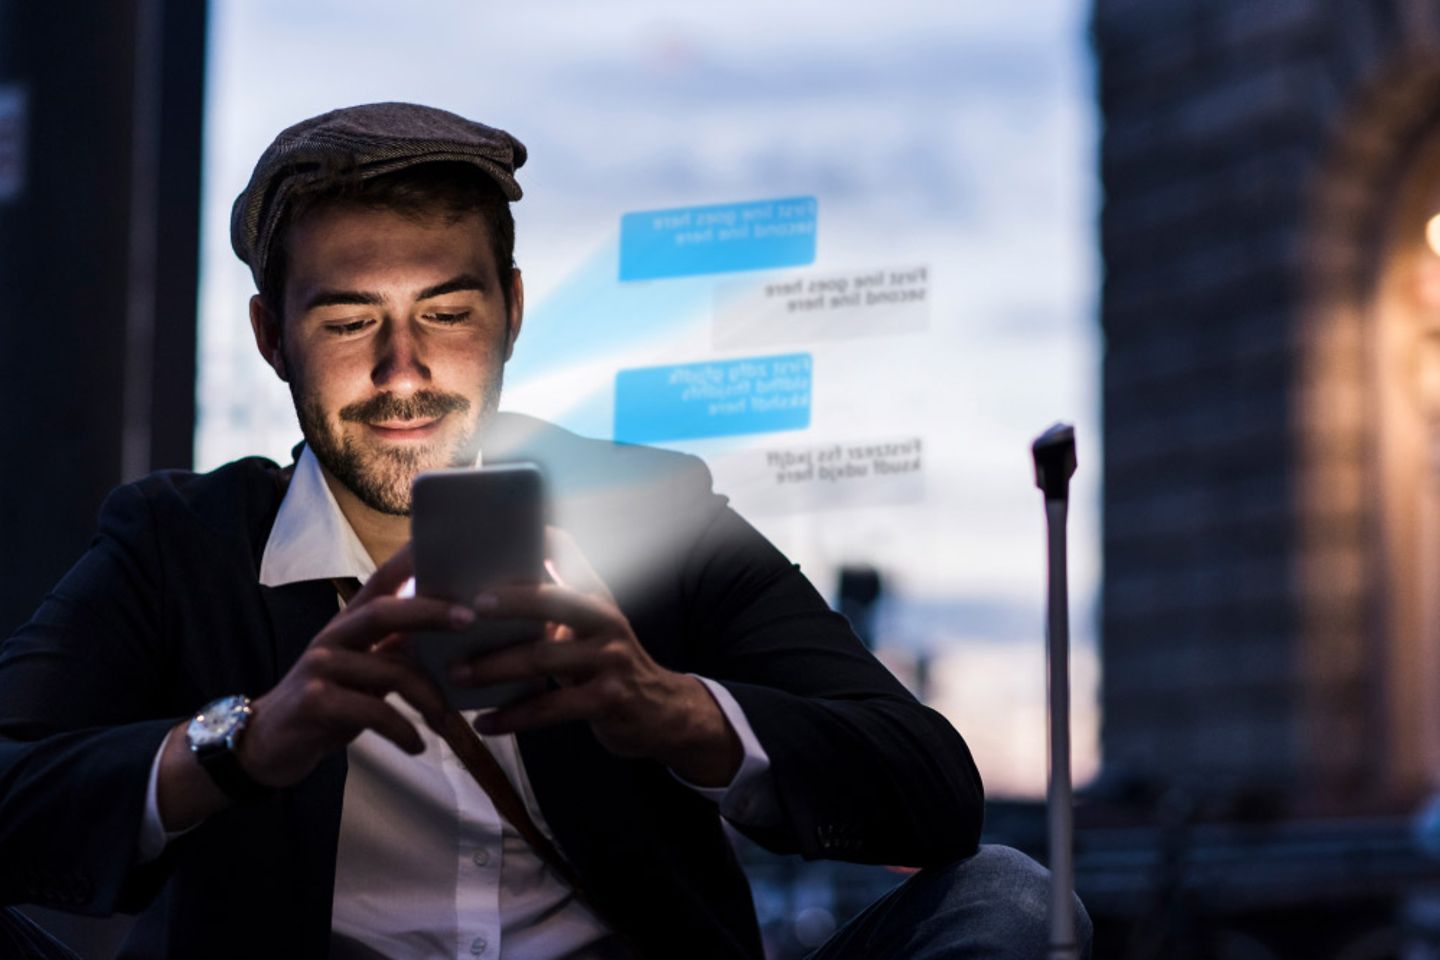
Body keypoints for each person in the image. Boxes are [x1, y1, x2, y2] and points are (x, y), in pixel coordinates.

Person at [0, 103, 1091, 959]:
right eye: (348, 322)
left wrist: (673, 710)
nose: (403, 371)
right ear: (270, 337)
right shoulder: (180, 545)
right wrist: (244, 739)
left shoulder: (652, 514)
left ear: (511, 312)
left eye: (446, 313)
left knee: (1007, 896)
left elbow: (933, 792)